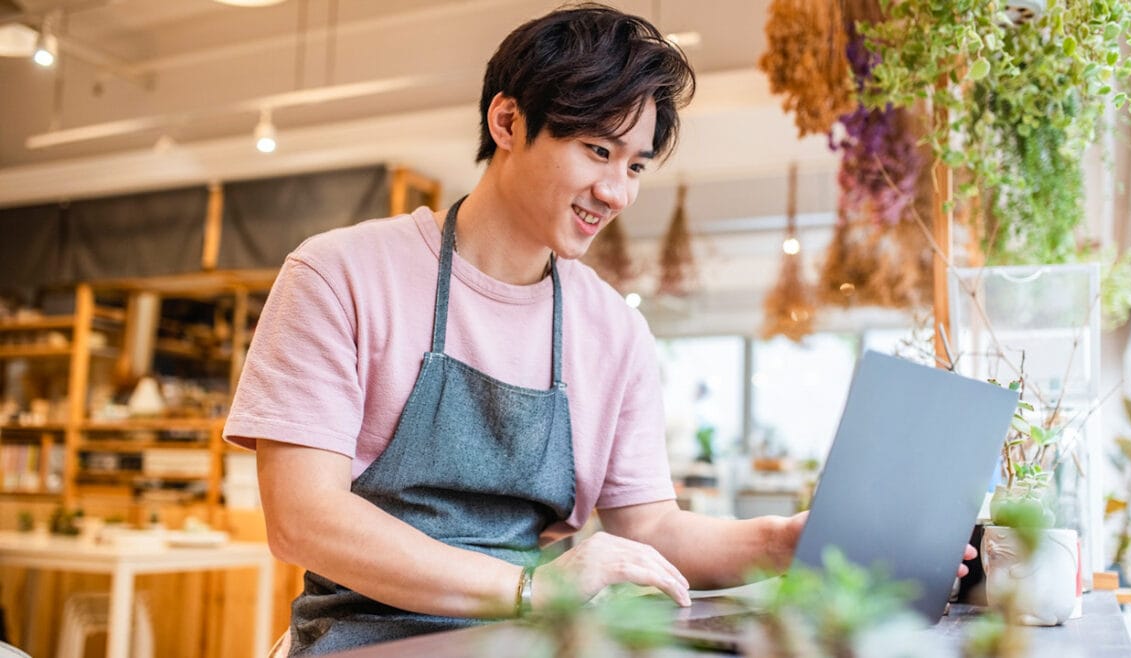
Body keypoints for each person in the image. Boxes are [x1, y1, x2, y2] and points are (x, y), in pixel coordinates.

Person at [225, 4, 971, 655]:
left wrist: (782, 542)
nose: (616, 192)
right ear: (508, 121)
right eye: (598, 150)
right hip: (366, 638)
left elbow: (648, 526)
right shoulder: (340, 275)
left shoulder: (611, 328)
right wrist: (530, 589)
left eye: (638, 166)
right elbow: (304, 520)